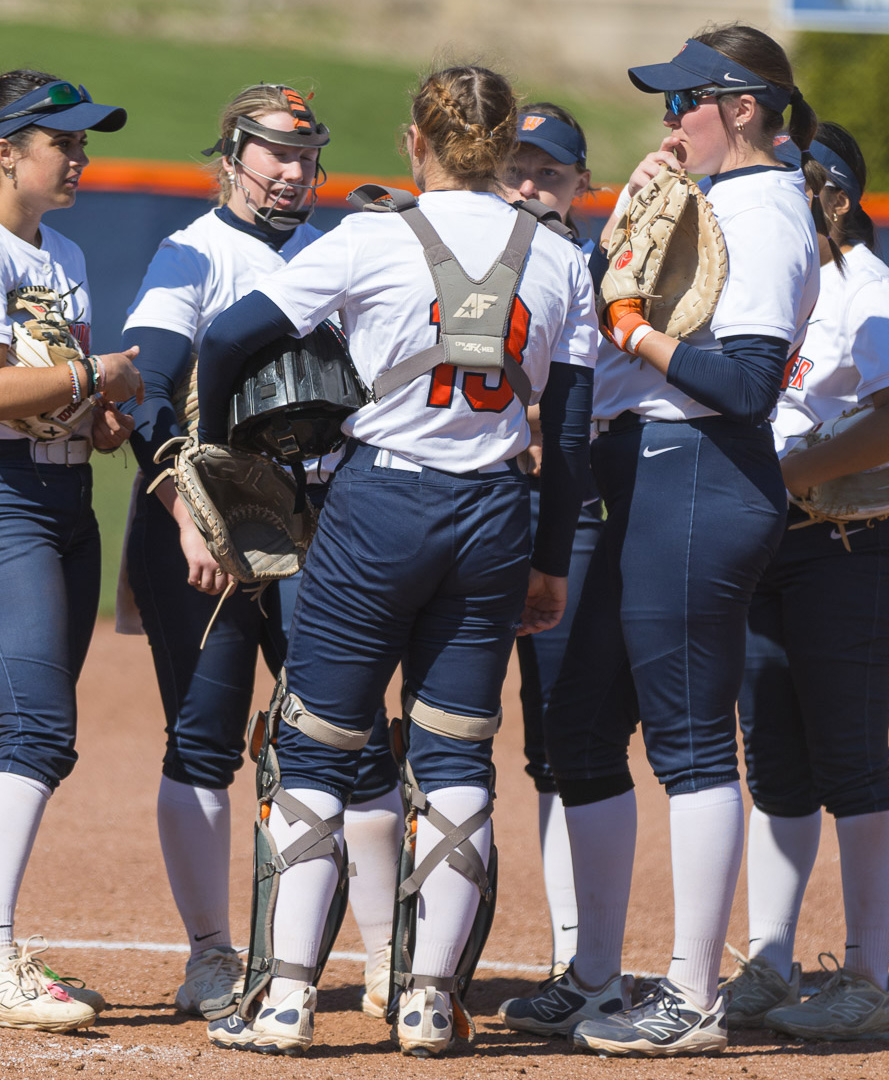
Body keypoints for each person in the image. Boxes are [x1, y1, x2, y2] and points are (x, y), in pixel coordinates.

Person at [190, 64, 600, 1058]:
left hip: (379, 504)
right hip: (495, 512)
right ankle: (427, 1002)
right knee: (455, 754)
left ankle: (285, 1002)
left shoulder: (369, 237)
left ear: (416, 141)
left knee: (314, 747)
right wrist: (549, 561)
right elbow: (569, 434)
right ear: (504, 149)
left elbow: (231, 337)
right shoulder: (557, 256)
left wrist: (219, 455)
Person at [498, 23, 822, 1058]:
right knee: (582, 727)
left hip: (702, 473)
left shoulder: (765, 210)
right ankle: (594, 973)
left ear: (740, 107)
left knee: (689, 741)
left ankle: (692, 994)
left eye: (685, 101)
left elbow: (747, 385)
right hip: (637, 472)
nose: (671, 119)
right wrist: (613, 249)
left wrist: (633, 325)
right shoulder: (710, 196)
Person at [115, 83, 404, 1023]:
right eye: (273, 151)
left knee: (354, 739)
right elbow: (147, 393)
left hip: (320, 518)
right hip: (208, 519)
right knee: (204, 737)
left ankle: (389, 958)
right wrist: (186, 513)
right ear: (231, 155)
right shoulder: (193, 252)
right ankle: (211, 956)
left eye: (305, 154)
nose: (291, 170)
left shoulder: (339, 250)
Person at [0, 69, 139, 1032]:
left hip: (63, 498)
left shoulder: (64, 251)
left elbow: (55, 392)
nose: (79, 157)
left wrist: (99, 412)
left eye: (82, 142)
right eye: (64, 142)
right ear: (5, 152)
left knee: (22, 734)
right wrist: (95, 373)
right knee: (36, 732)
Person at [718, 121, 889, 1042]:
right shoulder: (768, 283)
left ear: (833, 197)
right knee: (775, 765)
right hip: (768, 545)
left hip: (848, 549)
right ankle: (771, 959)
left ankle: (870, 981)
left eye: (792, 181)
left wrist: (788, 474)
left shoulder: (864, 287)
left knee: (851, 763)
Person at [499, 102, 606, 979]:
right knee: (443, 723)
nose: (531, 187)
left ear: (580, 186)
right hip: (472, 507)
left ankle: (574, 952)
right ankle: (421, 951)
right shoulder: (461, 254)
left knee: (560, 736)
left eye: (550, 173)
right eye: (516, 169)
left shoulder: (600, 269)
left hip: (568, 514)